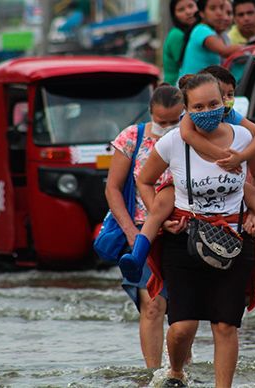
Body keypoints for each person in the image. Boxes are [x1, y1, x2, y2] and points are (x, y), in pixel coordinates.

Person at [136, 73, 255, 387]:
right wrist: (159, 211)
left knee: (225, 326)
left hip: (233, 240)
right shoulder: (173, 142)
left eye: (214, 103)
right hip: (184, 240)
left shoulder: (242, 137)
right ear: (187, 109)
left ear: (225, 102)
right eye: (198, 106)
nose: (208, 110)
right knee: (183, 327)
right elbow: (144, 180)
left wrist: (253, 210)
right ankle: (176, 371)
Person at [119, 66, 255, 283]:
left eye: (230, 95)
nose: (226, 100)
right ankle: (137, 256)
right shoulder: (190, 121)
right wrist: (223, 157)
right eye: (221, 95)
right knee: (160, 207)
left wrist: (240, 157)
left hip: (229, 182)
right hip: (186, 182)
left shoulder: (231, 116)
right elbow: (188, 136)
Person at [104, 84, 186, 369]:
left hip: (186, 230)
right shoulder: (132, 137)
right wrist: (131, 232)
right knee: (152, 306)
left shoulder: (193, 137)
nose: (168, 127)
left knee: (183, 311)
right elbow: (113, 189)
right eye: (161, 122)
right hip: (143, 233)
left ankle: (179, 370)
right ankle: (153, 374)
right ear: (150, 113)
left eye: (175, 121)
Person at [177, 0, 243, 78]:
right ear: (202, 13)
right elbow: (225, 51)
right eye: (212, 8)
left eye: (221, 8)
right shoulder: (202, 30)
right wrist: (246, 47)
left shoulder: (218, 33)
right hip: (190, 88)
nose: (219, 13)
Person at [163, 0, 199, 85]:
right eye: (181, 10)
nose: (188, 12)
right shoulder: (176, 34)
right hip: (175, 88)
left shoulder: (195, 32)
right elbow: (187, 64)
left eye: (191, 6)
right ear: (174, 15)